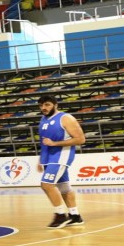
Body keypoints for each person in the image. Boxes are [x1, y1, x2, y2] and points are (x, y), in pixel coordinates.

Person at [36, 95, 86, 229]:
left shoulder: (66, 118)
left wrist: (55, 143)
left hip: (61, 156)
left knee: (46, 185)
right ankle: (75, 216)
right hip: (49, 157)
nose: (44, 108)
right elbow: (44, 142)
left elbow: (80, 139)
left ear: (55, 104)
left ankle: (60, 215)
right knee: (64, 188)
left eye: (47, 105)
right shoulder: (43, 119)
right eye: (41, 106)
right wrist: (41, 159)